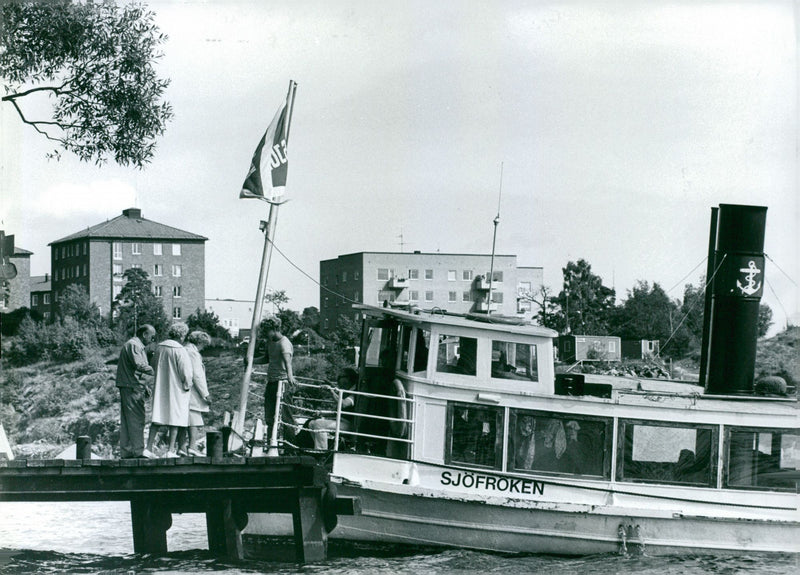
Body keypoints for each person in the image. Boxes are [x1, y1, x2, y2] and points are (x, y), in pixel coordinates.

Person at [146, 322, 193, 457]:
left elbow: (152, 365)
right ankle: (171, 450)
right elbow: (186, 373)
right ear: (182, 335)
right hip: (177, 388)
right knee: (176, 418)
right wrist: (187, 385)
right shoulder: (180, 350)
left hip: (161, 386)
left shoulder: (160, 347)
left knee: (157, 416)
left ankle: (148, 448)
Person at [115, 324, 156, 459]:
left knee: (127, 421)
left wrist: (145, 386)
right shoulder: (135, 345)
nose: (152, 340)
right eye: (152, 336)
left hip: (128, 386)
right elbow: (139, 365)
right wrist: (156, 369)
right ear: (145, 334)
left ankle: (126, 452)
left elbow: (135, 369)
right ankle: (138, 450)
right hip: (132, 387)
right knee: (137, 418)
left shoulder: (131, 344)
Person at [262, 316, 297, 446]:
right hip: (271, 382)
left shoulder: (284, 343)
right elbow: (267, 358)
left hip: (282, 383)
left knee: (285, 416)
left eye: (267, 330)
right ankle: (271, 443)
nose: (265, 334)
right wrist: (251, 361)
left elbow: (288, 363)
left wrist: (290, 376)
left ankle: (290, 447)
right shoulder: (270, 342)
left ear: (275, 329)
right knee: (270, 416)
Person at [307, 368, 358, 450]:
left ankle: (322, 451)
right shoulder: (346, 391)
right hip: (341, 421)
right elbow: (336, 411)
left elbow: (343, 404)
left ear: (349, 378)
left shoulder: (355, 392)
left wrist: (331, 391)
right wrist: (321, 413)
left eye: (341, 377)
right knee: (312, 423)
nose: (339, 380)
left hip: (349, 425)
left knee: (319, 424)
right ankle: (317, 449)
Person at [182, 330, 211, 456]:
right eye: (203, 345)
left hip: (184, 389)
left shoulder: (184, 349)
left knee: (184, 419)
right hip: (193, 391)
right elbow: (197, 375)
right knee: (193, 418)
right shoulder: (193, 353)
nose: (203, 348)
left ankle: (182, 447)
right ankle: (192, 446)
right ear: (199, 342)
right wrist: (205, 394)